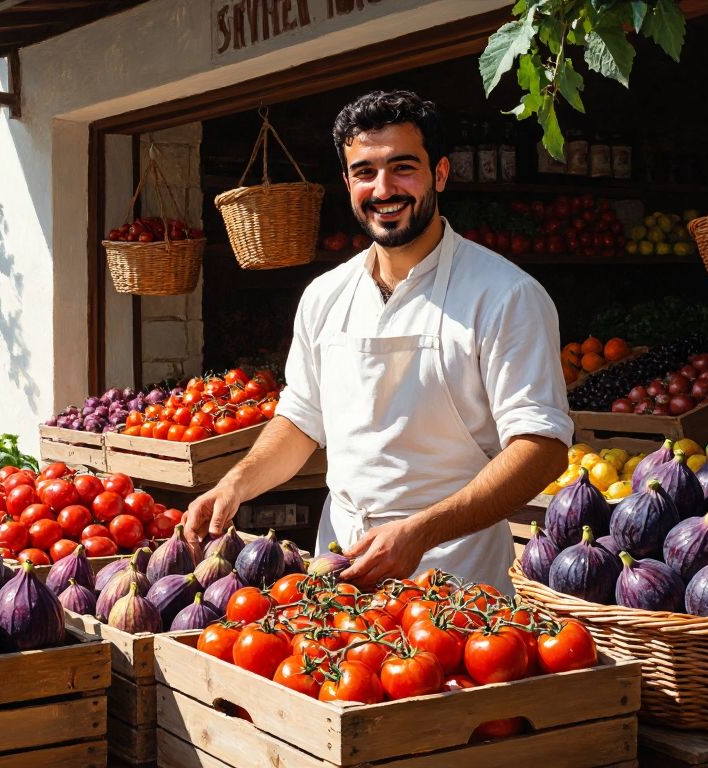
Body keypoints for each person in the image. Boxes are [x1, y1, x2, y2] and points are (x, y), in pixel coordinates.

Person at [184, 91, 572, 589]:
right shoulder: (324, 296)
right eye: (365, 172)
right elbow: (302, 419)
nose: (383, 188)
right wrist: (236, 484)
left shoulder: (505, 294)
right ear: (347, 182)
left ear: (441, 174)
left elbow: (542, 446)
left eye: (403, 167)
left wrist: (420, 530)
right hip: (338, 565)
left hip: (458, 575)